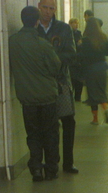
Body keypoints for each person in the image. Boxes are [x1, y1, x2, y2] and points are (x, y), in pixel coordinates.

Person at [10, 7, 62, 182]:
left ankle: (36, 169)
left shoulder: (12, 42)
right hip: (47, 97)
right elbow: (56, 67)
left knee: (33, 134)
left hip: (27, 99)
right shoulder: (43, 44)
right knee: (50, 134)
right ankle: (51, 170)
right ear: (37, 22)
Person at [38, 0, 79, 175]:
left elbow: (71, 54)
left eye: (51, 8)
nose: (48, 12)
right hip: (41, 83)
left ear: (55, 9)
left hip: (61, 81)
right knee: (47, 125)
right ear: (39, 7)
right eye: (45, 8)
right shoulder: (34, 29)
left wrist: (52, 60)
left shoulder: (63, 28)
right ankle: (51, 161)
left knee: (68, 121)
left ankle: (68, 163)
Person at [80, 18, 108, 125]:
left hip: (91, 69)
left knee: (92, 94)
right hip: (102, 68)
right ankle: (106, 109)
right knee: (102, 91)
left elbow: (84, 56)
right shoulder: (104, 37)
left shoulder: (85, 39)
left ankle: (95, 119)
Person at [69, 18, 85, 102]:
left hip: (79, 60)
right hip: (72, 60)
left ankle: (78, 97)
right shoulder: (68, 34)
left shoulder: (79, 33)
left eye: (77, 23)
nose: (76, 25)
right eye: (74, 23)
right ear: (70, 24)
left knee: (79, 80)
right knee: (72, 79)